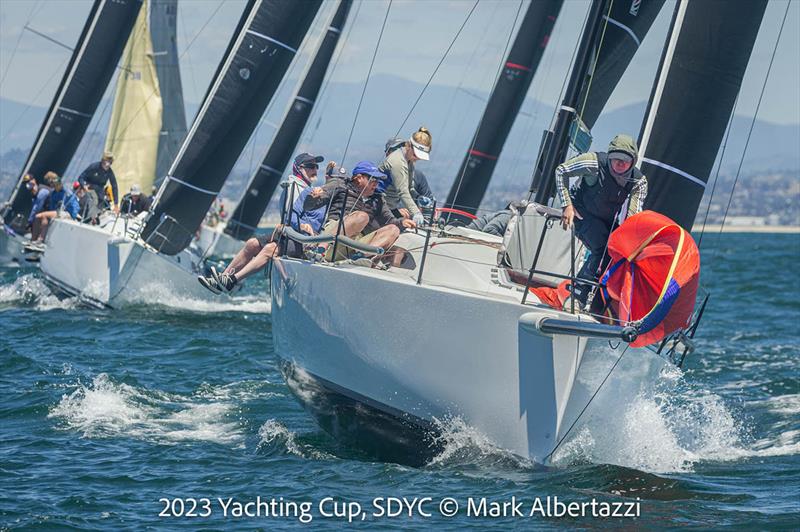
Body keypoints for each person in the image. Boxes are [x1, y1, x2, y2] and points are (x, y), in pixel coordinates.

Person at [197, 152, 324, 294]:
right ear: (299, 168)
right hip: (291, 235)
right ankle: (224, 278)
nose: (315, 170)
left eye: (316, 166)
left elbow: (313, 221)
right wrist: (294, 226)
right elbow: (291, 217)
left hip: (302, 240)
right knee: (251, 243)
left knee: (270, 249)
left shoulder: (309, 192)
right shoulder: (293, 187)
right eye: (311, 166)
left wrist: (303, 227)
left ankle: (232, 281)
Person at [556, 134, 648, 305]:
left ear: (633, 161)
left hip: (604, 220)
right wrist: (566, 205)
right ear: (610, 156)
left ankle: (603, 301)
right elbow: (561, 171)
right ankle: (577, 294)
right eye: (616, 159)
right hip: (580, 213)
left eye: (625, 160)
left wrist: (629, 242)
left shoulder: (639, 181)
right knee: (602, 248)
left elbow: (633, 215)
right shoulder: (593, 162)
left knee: (618, 251)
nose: (620, 163)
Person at [305, 161, 416, 262]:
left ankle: (359, 258)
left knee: (393, 230)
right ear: (359, 178)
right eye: (373, 179)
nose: (376, 184)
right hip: (333, 236)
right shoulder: (340, 185)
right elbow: (309, 207)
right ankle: (320, 249)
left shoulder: (378, 198)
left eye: (377, 181)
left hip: (355, 243)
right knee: (362, 217)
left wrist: (402, 222)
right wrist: (313, 197)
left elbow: (390, 221)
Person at [379, 127, 432, 226]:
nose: (418, 158)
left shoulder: (409, 160)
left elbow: (409, 187)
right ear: (409, 145)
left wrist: (418, 197)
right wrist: (416, 212)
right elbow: (402, 191)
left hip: (390, 207)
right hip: (379, 206)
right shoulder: (397, 162)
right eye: (416, 154)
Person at [27, 180, 84, 247]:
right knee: (37, 216)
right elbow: (52, 206)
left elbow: (74, 208)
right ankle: (33, 240)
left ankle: (40, 240)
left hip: (68, 213)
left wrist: (72, 215)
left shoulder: (67, 193)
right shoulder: (53, 193)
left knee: (44, 216)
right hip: (58, 211)